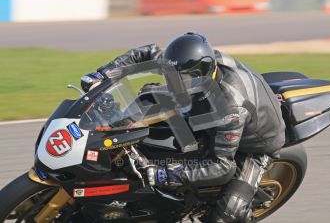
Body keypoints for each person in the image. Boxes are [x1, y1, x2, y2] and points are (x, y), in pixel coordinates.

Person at [81, 32, 286, 223]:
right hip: (206, 107)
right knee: (144, 105)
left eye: (181, 80)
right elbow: (146, 52)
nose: (173, 83)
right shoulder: (183, 63)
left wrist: (162, 173)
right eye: (170, 76)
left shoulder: (230, 108)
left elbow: (222, 166)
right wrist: (103, 75)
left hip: (253, 146)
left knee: (228, 212)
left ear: (202, 76)